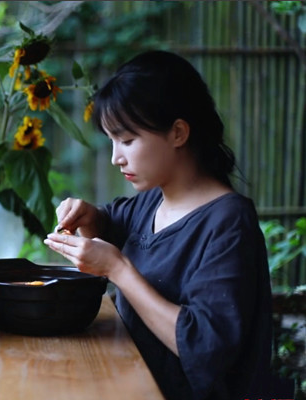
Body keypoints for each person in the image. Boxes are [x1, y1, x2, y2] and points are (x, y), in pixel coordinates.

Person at [44, 50, 273, 400]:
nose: (115, 158)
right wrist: (88, 217)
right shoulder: (153, 200)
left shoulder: (228, 223)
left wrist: (118, 270)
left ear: (178, 132)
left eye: (127, 141)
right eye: (111, 141)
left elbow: (205, 346)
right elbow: (107, 225)